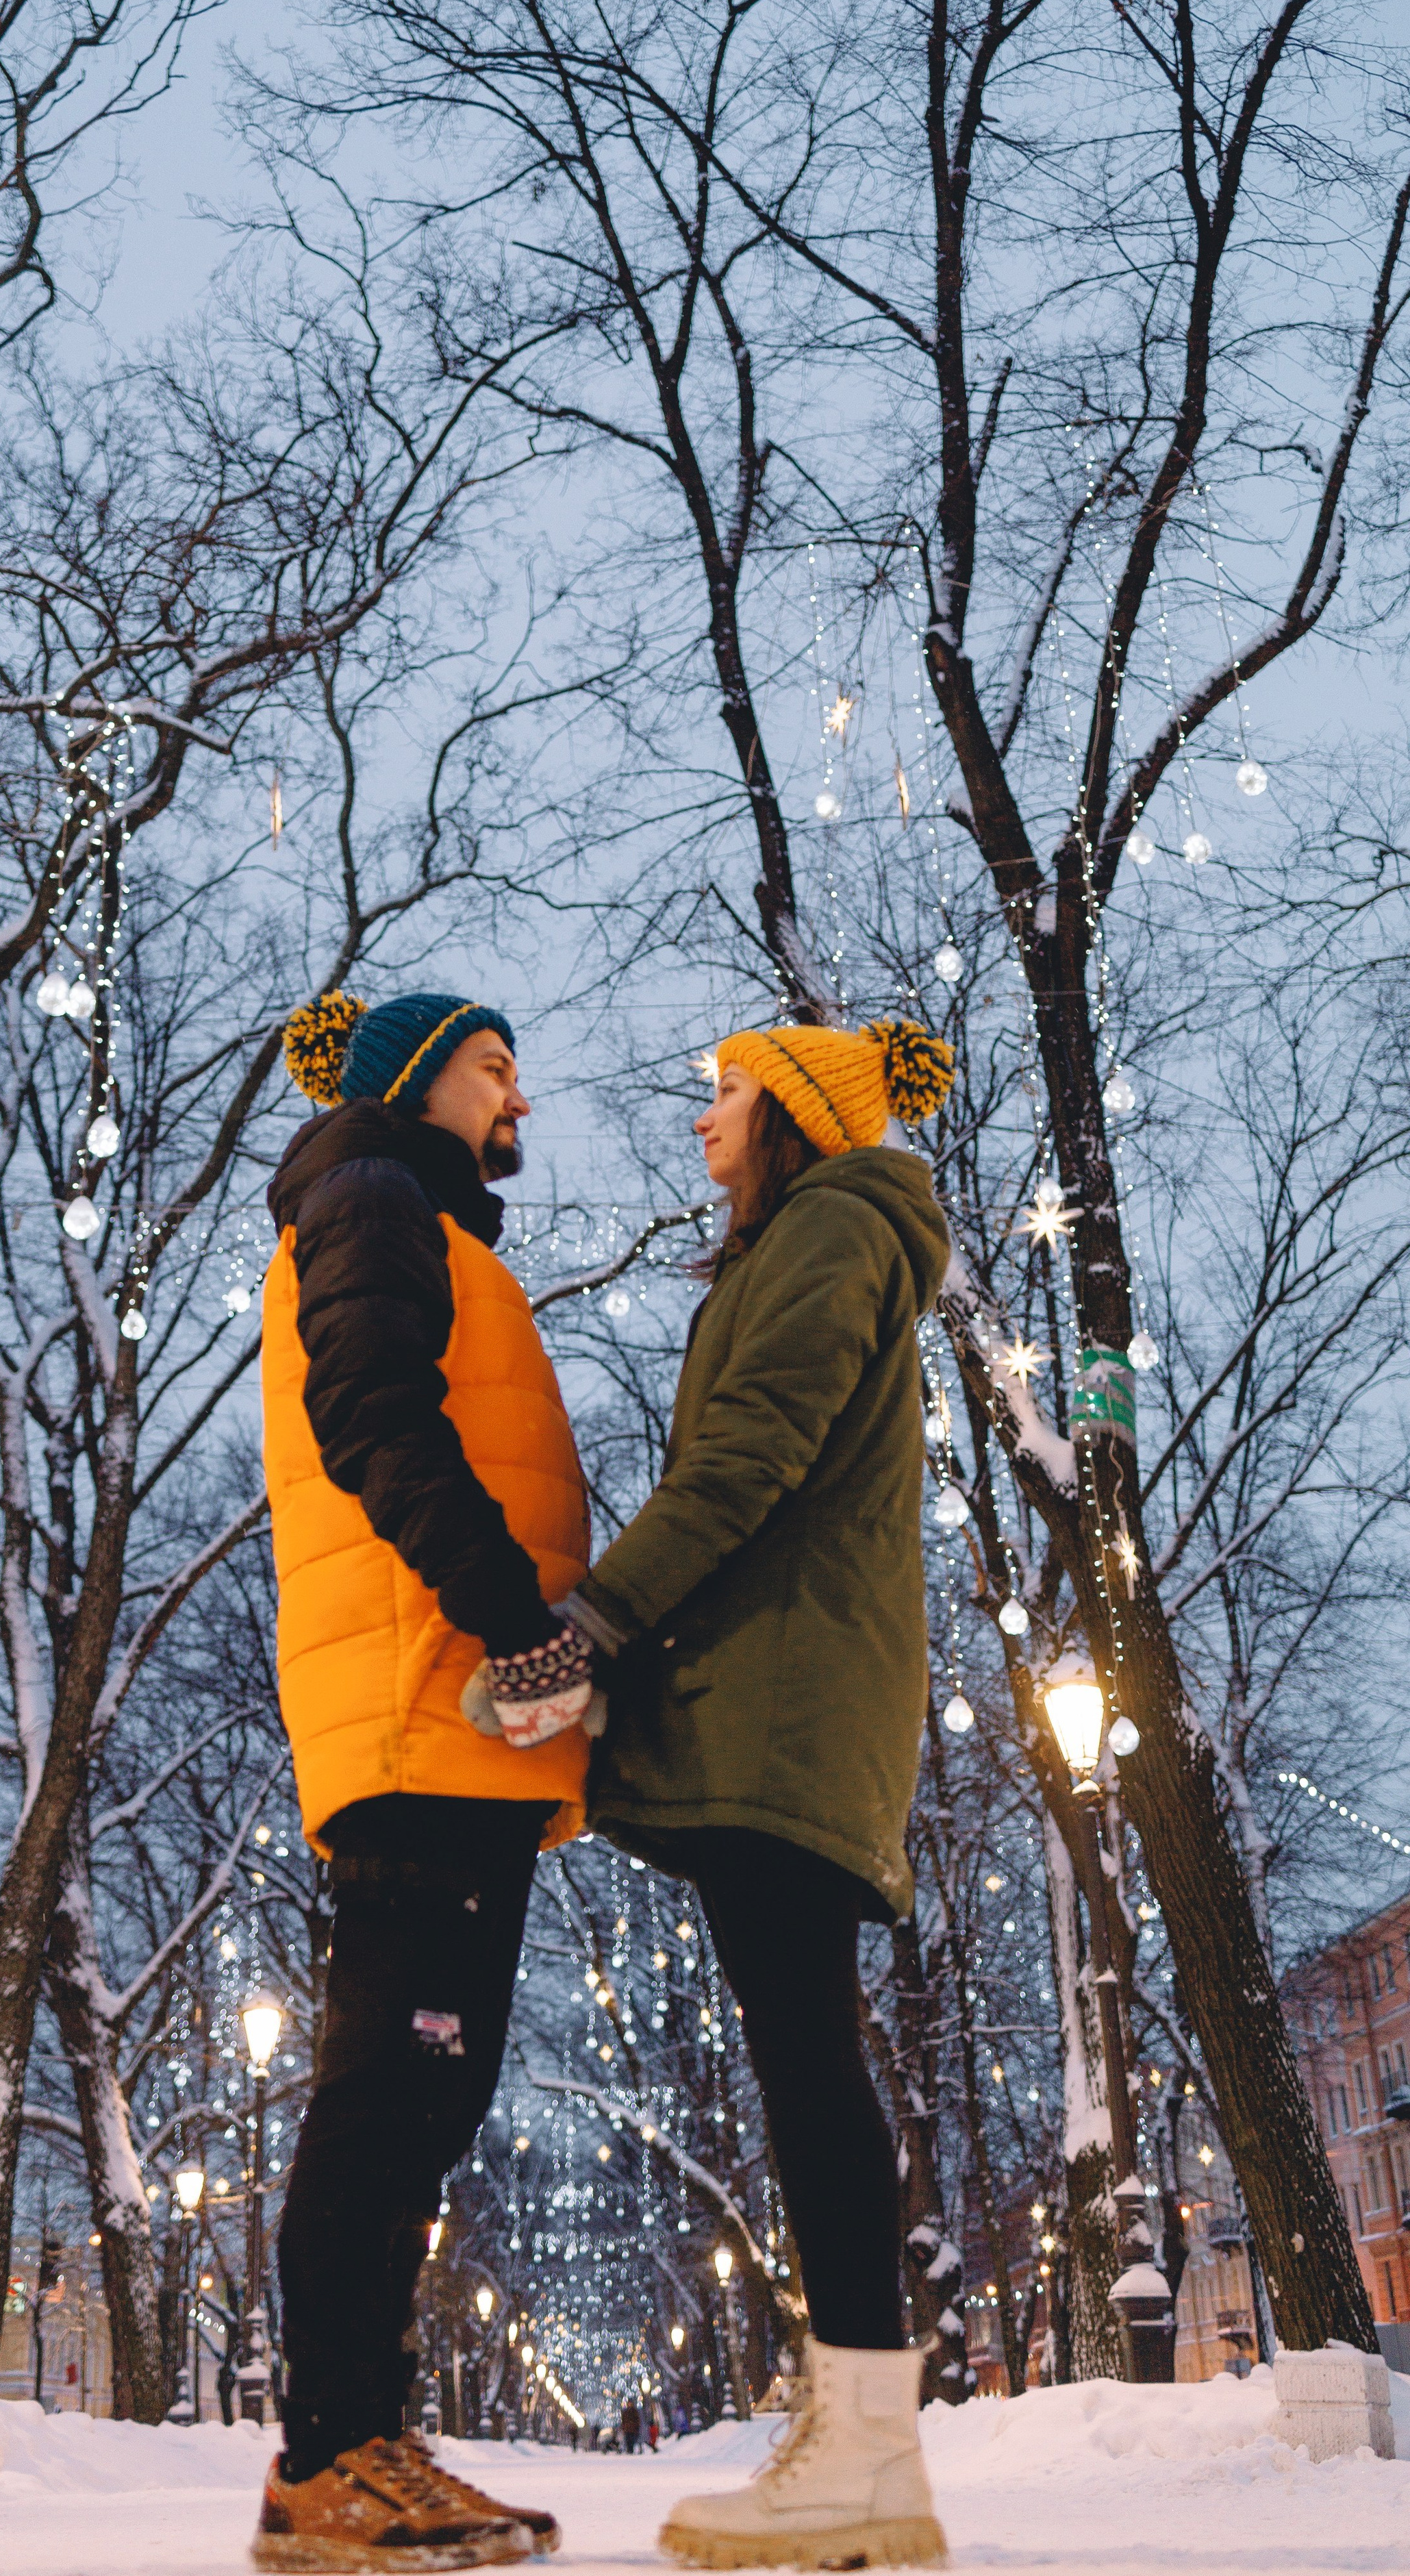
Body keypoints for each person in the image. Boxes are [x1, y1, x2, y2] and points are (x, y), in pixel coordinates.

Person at [562, 1017, 955, 2572]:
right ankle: (862, 2443)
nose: (701, 1116)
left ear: (790, 1112)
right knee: (801, 2049)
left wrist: (587, 1623)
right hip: (783, 1698)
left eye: (722, 1089)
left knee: (804, 2053)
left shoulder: (828, 1231)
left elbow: (744, 1460)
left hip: (787, 1702)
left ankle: (863, 2451)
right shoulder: (811, 1240)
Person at [252, 990, 597, 2571]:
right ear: (412, 1082)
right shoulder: (371, 1191)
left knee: (429, 2096)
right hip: (424, 1700)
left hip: (463, 1723)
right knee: (387, 2089)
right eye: (485, 1059)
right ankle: (324, 2456)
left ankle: (365, 2441)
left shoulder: (436, 1225)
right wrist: (516, 1624)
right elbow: (369, 1411)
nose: (512, 1084)